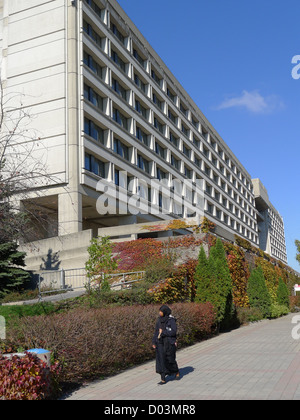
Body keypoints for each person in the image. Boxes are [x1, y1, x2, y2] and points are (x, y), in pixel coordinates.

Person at [152, 304, 180, 384]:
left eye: (161, 311)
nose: (159, 313)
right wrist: (154, 341)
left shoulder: (171, 320)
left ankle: (176, 371)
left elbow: (173, 332)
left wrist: (163, 332)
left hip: (169, 342)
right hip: (160, 342)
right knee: (161, 359)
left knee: (170, 359)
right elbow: (156, 332)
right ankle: (163, 378)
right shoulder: (159, 320)